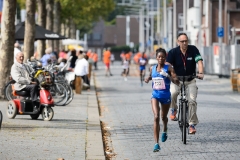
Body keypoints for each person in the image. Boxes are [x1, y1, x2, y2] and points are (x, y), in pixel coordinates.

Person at [166, 33, 204, 134]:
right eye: (182, 41)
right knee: (173, 93)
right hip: (177, 80)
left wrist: (200, 73)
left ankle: (191, 124)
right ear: (178, 42)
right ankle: (173, 109)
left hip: (190, 80)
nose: (184, 43)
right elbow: (168, 65)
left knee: (192, 101)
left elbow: (199, 61)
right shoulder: (173, 52)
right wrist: (167, 73)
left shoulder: (193, 50)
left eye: (186, 41)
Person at [145, 48, 179, 152]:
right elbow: (152, 76)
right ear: (156, 58)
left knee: (163, 117)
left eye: (163, 57)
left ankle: (165, 129)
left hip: (165, 96)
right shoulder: (152, 68)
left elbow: (176, 81)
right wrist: (148, 78)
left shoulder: (169, 68)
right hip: (155, 95)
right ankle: (156, 143)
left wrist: (167, 75)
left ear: (165, 58)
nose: (161, 58)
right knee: (156, 117)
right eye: (159, 57)